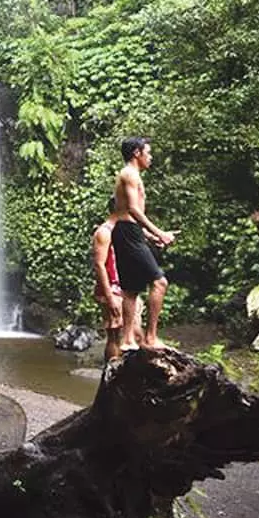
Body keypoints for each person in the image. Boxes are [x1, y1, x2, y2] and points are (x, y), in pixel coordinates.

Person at [111, 137, 175, 351]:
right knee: (159, 282)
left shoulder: (133, 174)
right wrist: (160, 232)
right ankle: (150, 337)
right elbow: (132, 210)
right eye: (148, 152)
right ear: (137, 153)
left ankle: (128, 340)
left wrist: (149, 235)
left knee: (131, 290)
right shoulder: (129, 174)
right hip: (127, 232)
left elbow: (128, 215)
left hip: (129, 231)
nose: (151, 157)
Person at [93, 197, 143, 361]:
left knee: (134, 330)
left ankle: (129, 374)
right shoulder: (104, 232)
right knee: (114, 333)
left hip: (127, 287)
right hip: (112, 289)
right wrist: (109, 297)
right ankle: (112, 373)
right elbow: (99, 265)